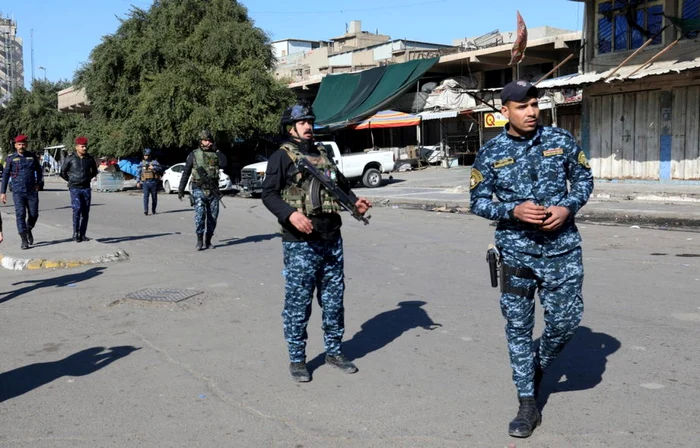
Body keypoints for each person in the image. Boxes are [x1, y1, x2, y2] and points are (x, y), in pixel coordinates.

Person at [469, 80, 594, 438]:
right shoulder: (490, 153)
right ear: (504, 111)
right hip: (516, 253)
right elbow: (477, 201)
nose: (532, 112)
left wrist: (568, 206)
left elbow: (584, 179)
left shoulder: (560, 141)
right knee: (519, 328)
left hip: (563, 250)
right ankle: (527, 403)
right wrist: (512, 210)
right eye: (522, 106)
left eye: (535, 104)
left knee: (567, 321)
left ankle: (536, 365)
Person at [261, 102, 372, 383]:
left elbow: (340, 187)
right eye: (302, 123)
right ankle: (298, 359)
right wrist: (291, 214)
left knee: (334, 301)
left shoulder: (323, 154)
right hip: (300, 242)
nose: (308, 126)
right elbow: (269, 195)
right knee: (299, 302)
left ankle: (334, 351)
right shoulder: (281, 157)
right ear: (291, 127)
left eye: (310, 121)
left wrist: (355, 203)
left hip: (331, 237)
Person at [178, 130, 226, 250]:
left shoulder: (215, 153)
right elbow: (186, 172)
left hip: (213, 191)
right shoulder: (193, 155)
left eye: (209, 140)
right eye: (205, 140)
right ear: (201, 141)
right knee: (200, 216)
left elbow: (224, 164)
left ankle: (208, 240)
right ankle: (199, 240)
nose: (208, 143)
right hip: (198, 188)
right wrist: (181, 189)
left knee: (213, 217)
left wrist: (217, 150)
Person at [0, 134, 43, 250]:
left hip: (32, 191)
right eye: (19, 144)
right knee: (20, 214)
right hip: (18, 192)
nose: (21, 146)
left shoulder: (32, 157)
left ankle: (28, 228)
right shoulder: (11, 159)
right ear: (15, 145)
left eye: (23, 144)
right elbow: (5, 175)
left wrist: (38, 183)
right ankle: (24, 239)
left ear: (26, 145)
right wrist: (2, 192)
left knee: (34, 214)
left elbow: (39, 170)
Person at [60, 136, 98, 242]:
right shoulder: (70, 158)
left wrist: (87, 179)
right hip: (75, 188)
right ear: (76, 147)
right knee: (77, 210)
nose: (84, 148)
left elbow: (94, 171)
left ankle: (83, 234)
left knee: (85, 212)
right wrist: (71, 180)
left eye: (85, 146)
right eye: (82, 146)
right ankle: (75, 233)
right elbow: (62, 172)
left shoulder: (89, 158)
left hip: (86, 188)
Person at [136, 148, 163, 215]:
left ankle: (153, 210)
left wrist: (153, 168)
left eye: (147, 155)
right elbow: (138, 172)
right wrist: (138, 181)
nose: (146, 156)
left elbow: (161, 169)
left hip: (153, 182)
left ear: (150, 155)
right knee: (145, 197)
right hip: (145, 182)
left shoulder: (154, 162)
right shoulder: (142, 163)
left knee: (154, 198)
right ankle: (146, 210)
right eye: (145, 155)